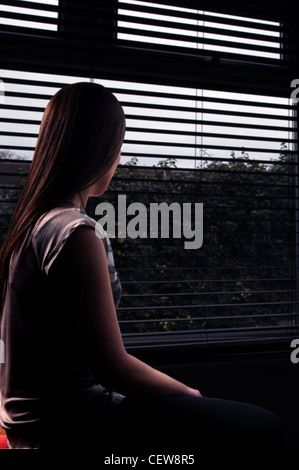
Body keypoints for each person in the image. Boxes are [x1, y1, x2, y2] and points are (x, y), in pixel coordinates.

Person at [0, 82, 283, 449]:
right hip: (74, 425)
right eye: (119, 146)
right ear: (102, 151)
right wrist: (185, 391)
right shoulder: (76, 232)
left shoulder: (29, 226)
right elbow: (112, 367)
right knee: (264, 427)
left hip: (35, 424)